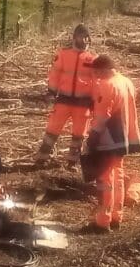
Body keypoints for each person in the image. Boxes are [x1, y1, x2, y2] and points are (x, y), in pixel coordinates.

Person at [82, 56, 140, 233]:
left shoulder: (106, 85)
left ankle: (102, 222)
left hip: (107, 140)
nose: (94, 75)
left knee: (105, 181)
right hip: (122, 138)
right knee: (118, 177)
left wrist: (92, 138)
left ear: (102, 70)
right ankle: (117, 216)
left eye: (95, 71)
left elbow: (102, 116)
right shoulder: (126, 82)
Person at [37, 24, 97, 165]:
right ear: (74, 37)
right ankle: (42, 157)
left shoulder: (93, 59)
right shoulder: (63, 55)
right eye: (81, 36)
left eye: (86, 37)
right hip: (63, 100)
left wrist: (95, 101)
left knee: (79, 134)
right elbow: (54, 75)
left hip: (83, 103)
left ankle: (72, 162)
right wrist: (51, 92)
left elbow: (97, 82)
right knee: (52, 129)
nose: (84, 39)